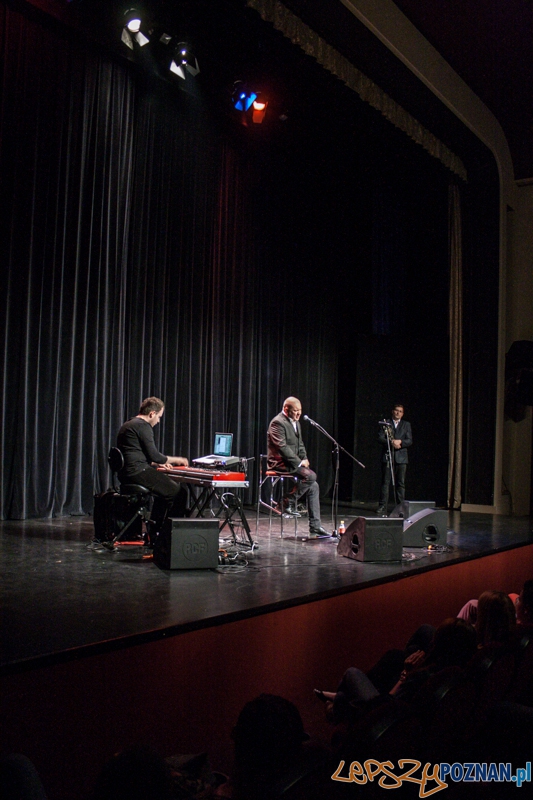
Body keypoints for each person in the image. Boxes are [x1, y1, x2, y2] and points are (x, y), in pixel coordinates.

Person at [116, 397, 189, 531]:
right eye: (159, 417)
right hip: (138, 472)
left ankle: (155, 532)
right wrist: (178, 460)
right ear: (152, 414)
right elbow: (155, 455)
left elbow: (137, 453)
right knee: (179, 494)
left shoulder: (129, 424)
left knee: (163, 493)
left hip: (127, 473)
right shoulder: (143, 426)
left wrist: (155, 464)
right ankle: (171, 535)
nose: (158, 421)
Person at [267, 397, 331, 538]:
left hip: (292, 463)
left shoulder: (297, 423)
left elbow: (300, 444)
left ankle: (315, 527)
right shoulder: (277, 423)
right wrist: (299, 462)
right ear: (286, 409)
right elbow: (282, 447)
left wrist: (304, 458)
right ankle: (285, 502)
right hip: (280, 463)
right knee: (311, 476)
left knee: (314, 486)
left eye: (300, 411)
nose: (298, 414)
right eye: (295, 411)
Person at [377, 404, 412, 515]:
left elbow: (409, 440)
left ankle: (401, 507)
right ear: (393, 411)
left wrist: (400, 442)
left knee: (400, 484)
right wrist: (391, 442)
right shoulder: (386, 423)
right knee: (385, 483)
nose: (398, 413)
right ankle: (383, 506)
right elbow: (380, 438)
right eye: (396, 411)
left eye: (400, 411)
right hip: (388, 457)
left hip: (401, 458)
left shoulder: (406, 424)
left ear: (402, 413)